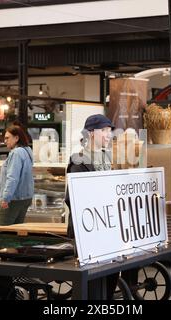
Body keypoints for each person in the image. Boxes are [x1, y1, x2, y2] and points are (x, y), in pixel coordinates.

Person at [64, 114, 117, 299]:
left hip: (106, 228)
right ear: (91, 133)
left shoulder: (105, 157)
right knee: (91, 285)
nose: (108, 135)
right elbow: (73, 198)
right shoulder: (78, 160)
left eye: (109, 131)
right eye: (104, 130)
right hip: (87, 232)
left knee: (109, 278)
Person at [0, 123, 34, 225]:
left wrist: (5, 198)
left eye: (7, 138)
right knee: (16, 232)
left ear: (16, 138)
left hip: (13, 200)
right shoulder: (27, 151)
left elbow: (12, 178)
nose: (5, 141)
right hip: (24, 199)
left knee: (4, 232)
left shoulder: (16, 153)